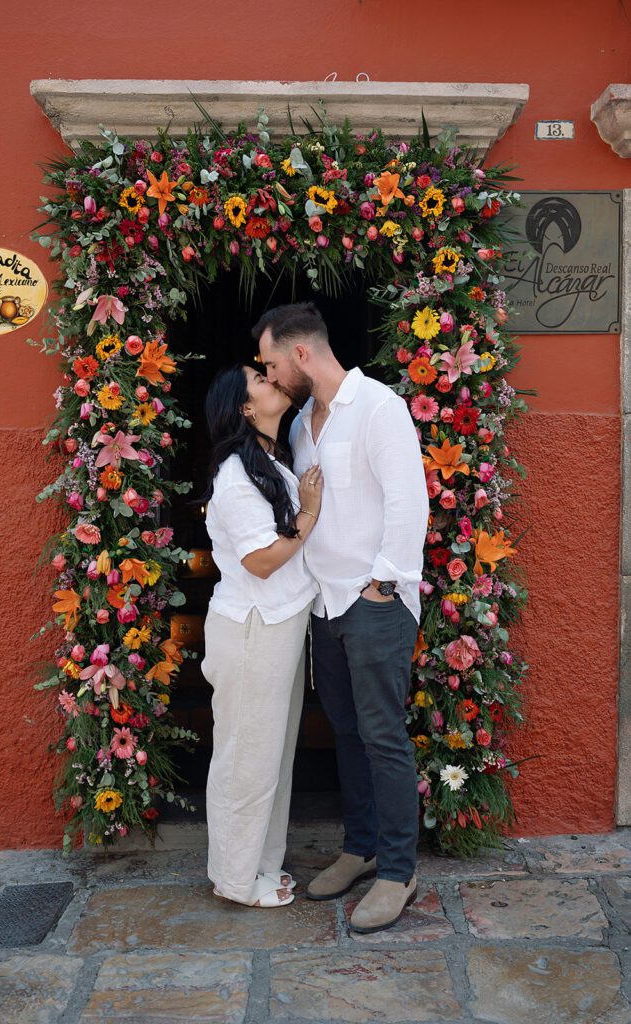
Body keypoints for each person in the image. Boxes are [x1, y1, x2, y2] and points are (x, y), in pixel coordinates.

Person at [254, 302, 429, 934]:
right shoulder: (302, 424)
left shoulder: (379, 406)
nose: (269, 376)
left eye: (271, 363)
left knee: (383, 735)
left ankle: (398, 872)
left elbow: (412, 502)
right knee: (348, 732)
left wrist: (383, 585)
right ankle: (361, 849)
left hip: (372, 602)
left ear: (301, 354)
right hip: (324, 604)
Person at [200, 363, 323, 908]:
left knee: (272, 756)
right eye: (259, 379)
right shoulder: (235, 473)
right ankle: (234, 878)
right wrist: (311, 514)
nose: (274, 380)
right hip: (253, 626)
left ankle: (259, 865)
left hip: (278, 623)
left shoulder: (272, 459)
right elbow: (262, 560)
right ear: (245, 409)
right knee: (245, 760)